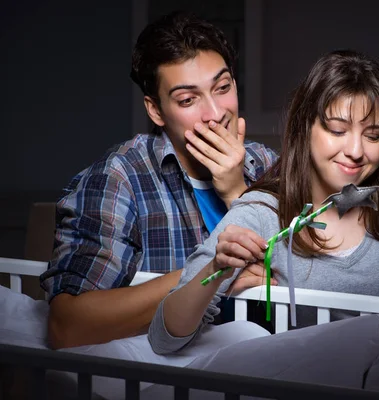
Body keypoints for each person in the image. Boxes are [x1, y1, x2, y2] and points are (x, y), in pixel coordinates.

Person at [147, 49, 379, 355]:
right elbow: (165, 338)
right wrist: (216, 268)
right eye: (337, 130)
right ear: (305, 127)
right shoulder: (262, 213)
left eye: (372, 135)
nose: (356, 150)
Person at [39, 10, 278, 350]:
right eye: (187, 99)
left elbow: (306, 276)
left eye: (223, 87)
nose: (215, 112)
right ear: (155, 110)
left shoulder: (266, 163)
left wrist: (236, 191)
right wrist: (209, 272)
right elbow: (67, 327)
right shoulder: (122, 177)